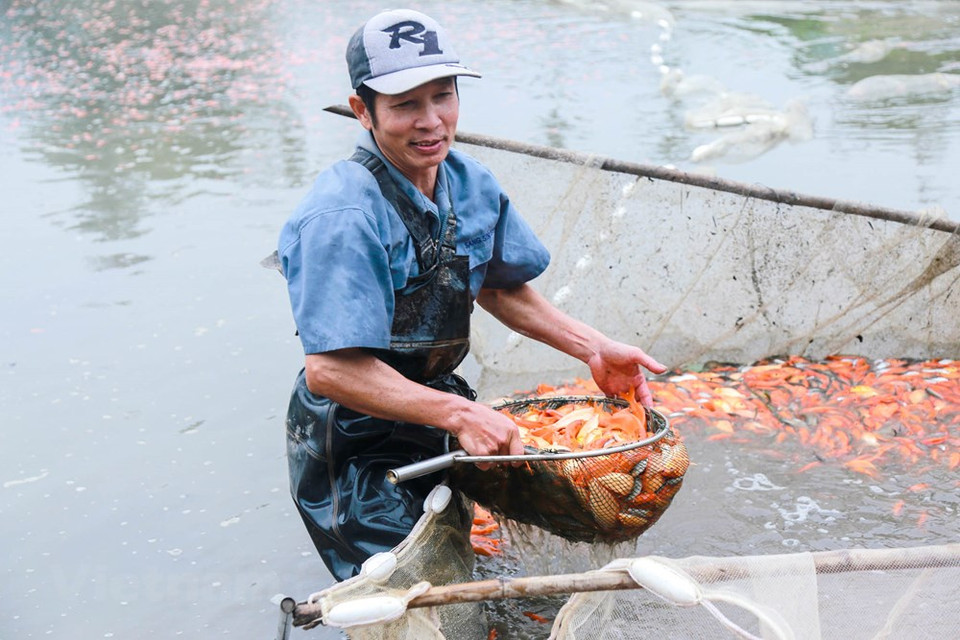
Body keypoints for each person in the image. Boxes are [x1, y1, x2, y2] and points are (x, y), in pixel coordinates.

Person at [277, 8, 666, 582]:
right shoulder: (343, 214)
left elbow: (501, 287)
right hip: (353, 439)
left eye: (443, 95)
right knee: (405, 584)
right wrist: (461, 412)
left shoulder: (469, 183)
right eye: (405, 104)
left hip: (435, 409)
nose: (431, 121)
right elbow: (331, 371)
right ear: (363, 111)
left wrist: (592, 347)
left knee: (451, 553)